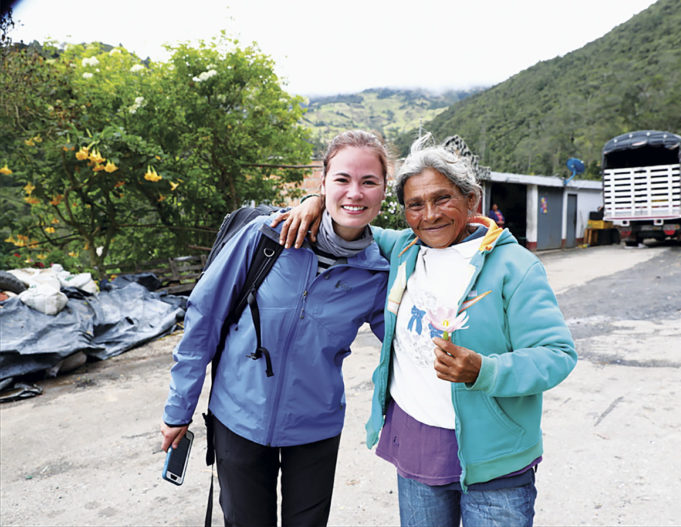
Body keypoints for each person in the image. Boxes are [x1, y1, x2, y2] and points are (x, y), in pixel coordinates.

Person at [280, 134, 576, 527]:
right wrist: (314, 201)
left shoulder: (515, 267)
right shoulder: (403, 249)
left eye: (442, 199)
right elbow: (351, 219)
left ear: (472, 200)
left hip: (494, 460)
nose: (430, 215)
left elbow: (557, 353)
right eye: (415, 205)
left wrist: (484, 371)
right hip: (418, 451)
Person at [160, 130, 391, 527]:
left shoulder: (376, 273)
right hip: (238, 418)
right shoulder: (267, 237)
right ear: (323, 184)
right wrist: (179, 408)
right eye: (342, 179)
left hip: (316, 427)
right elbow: (204, 319)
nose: (355, 192)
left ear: (384, 192)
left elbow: (402, 345)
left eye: (368, 181)